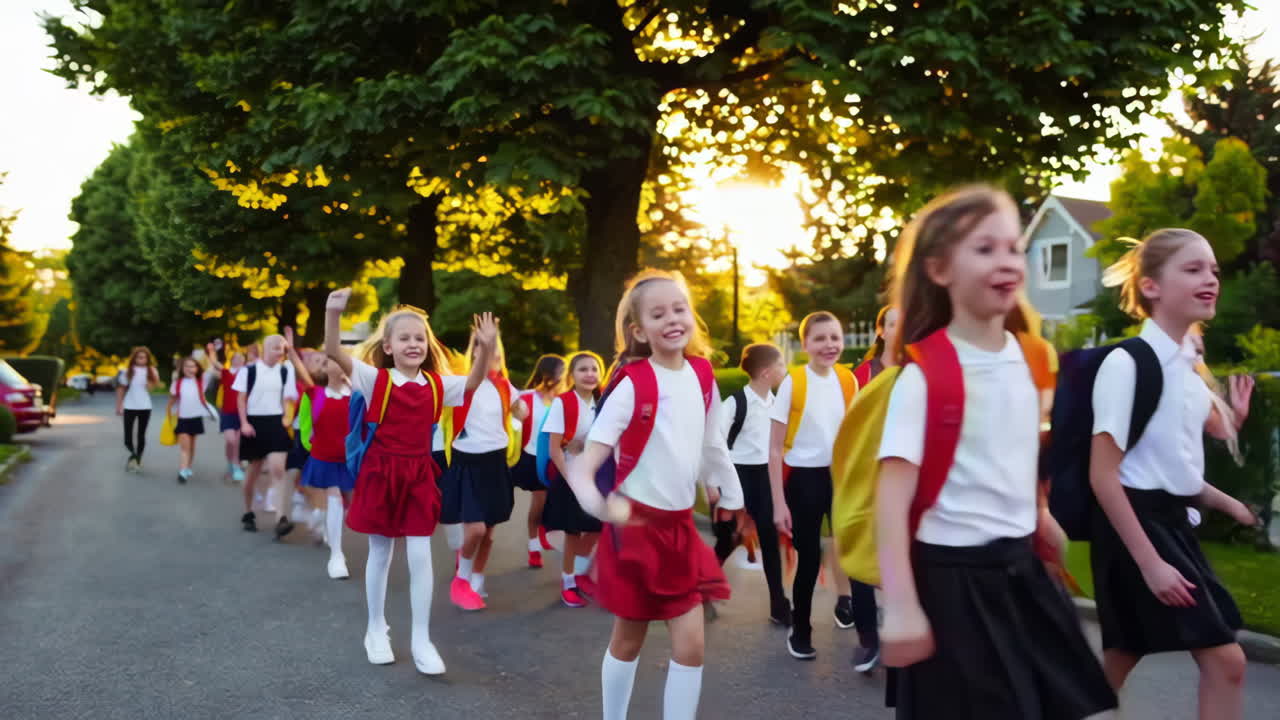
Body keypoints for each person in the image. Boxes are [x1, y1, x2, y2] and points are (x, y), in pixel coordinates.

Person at [876, 185, 1116, 719]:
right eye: (984, 249)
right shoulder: (924, 378)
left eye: (1013, 247)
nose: (1007, 261)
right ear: (939, 270)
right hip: (953, 585)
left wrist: (1039, 512)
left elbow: (1019, 450)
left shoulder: (1033, 358)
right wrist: (902, 605)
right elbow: (891, 503)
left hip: (1021, 571)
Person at [1090, 228, 1257, 720]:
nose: (1210, 279)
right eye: (1193, 269)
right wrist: (1151, 563)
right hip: (1138, 530)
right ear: (1150, 286)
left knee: (1119, 660)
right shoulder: (1127, 364)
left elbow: (1182, 460)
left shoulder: (1185, 366)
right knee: (1227, 661)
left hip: (1173, 527)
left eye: (1213, 271)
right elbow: (1104, 475)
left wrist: (1229, 503)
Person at [566, 269, 745, 720]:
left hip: (680, 528)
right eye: (658, 313)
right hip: (637, 531)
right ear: (638, 330)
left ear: (692, 317)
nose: (672, 319)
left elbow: (711, 444)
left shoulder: (703, 375)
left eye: (679, 309)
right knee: (629, 639)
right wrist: (597, 502)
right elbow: (586, 462)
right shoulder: (632, 383)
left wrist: (734, 496)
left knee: (691, 645)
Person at [325, 288, 497, 675]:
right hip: (380, 475)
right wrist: (332, 312)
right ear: (388, 346)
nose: (413, 343)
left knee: (421, 555)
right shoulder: (374, 379)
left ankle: (422, 639)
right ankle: (375, 630)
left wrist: (485, 349)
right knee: (381, 554)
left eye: (419, 337)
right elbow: (335, 352)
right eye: (404, 338)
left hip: (419, 476)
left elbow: (471, 383)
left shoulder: (438, 385)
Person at [768, 311, 860, 661]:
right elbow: (775, 449)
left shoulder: (848, 380)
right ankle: (801, 629)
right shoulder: (794, 382)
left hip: (840, 478)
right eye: (820, 339)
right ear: (805, 344)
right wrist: (779, 502)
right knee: (809, 559)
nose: (829, 345)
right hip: (804, 480)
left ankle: (864, 628)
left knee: (853, 554)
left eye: (835, 337)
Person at [440, 333, 528, 610]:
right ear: (473, 354)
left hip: (496, 463)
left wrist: (520, 407)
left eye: (495, 352)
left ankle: (476, 576)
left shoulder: (504, 386)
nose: (490, 356)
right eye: (484, 350)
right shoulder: (461, 384)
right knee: (476, 529)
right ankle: (462, 578)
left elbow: (520, 413)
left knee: (488, 532)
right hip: (467, 463)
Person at [713, 343, 789, 625]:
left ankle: (778, 604)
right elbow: (715, 442)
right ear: (767, 372)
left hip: (764, 476)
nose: (785, 371)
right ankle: (699, 589)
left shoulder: (776, 402)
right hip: (736, 474)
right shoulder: (735, 403)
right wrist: (716, 484)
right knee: (729, 538)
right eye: (781, 365)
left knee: (769, 539)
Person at [539, 351, 605, 607]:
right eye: (583, 369)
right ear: (572, 376)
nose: (589, 374)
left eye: (594, 369)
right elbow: (555, 448)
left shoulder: (602, 404)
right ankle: (568, 582)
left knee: (597, 528)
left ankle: (580, 573)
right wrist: (572, 480)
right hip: (570, 476)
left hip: (596, 476)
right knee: (573, 532)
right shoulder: (562, 403)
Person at [232, 334, 299, 536]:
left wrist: (288, 416)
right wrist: (243, 423)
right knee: (253, 472)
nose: (280, 352)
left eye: (283, 349)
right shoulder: (248, 371)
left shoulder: (287, 370)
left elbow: (290, 397)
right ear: (265, 349)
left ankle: (281, 518)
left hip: (276, 422)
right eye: (276, 348)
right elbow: (241, 398)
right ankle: (248, 512)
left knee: (278, 470)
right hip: (253, 424)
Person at [298, 349, 355, 579]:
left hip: (349, 459)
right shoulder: (316, 393)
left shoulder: (355, 393)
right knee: (335, 501)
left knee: (351, 504)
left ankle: (330, 532)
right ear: (325, 369)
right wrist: (291, 351)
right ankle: (337, 555)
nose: (339, 363)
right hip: (326, 457)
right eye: (332, 361)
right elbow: (301, 370)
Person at [513, 354, 566, 568]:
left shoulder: (563, 401)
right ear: (549, 373)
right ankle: (534, 545)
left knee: (552, 502)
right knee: (539, 500)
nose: (564, 376)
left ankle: (544, 532)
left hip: (552, 457)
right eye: (561, 371)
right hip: (529, 456)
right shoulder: (525, 397)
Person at [166, 355, 216, 484]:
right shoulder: (177, 383)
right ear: (182, 368)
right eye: (187, 366)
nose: (190, 368)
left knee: (192, 446)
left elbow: (211, 368)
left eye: (192, 366)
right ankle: (182, 471)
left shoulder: (201, 381)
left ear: (197, 368)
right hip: (182, 419)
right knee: (185, 447)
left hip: (196, 418)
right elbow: (171, 402)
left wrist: (211, 352)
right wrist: (169, 418)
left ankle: (188, 467)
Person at [116, 346, 161, 472]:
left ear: (148, 359)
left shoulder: (152, 370)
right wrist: (119, 405)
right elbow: (121, 389)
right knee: (127, 439)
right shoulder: (127, 371)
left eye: (144, 357)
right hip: (129, 406)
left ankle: (137, 460)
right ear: (134, 358)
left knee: (141, 435)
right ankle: (134, 456)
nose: (141, 359)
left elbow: (153, 387)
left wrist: (151, 382)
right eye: (139, 357)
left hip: (145, 406)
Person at [206, 346, 247, 484]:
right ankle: (231, 464)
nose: (239, 360)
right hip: (228, 412)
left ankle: (235, 466)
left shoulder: (247, 374)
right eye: (236, 358)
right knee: (230, 440)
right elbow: (214, 363)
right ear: (232, 360)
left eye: (241, 359)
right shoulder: (226, 372)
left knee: (237, 441)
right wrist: (212, 350)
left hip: (243, 413)